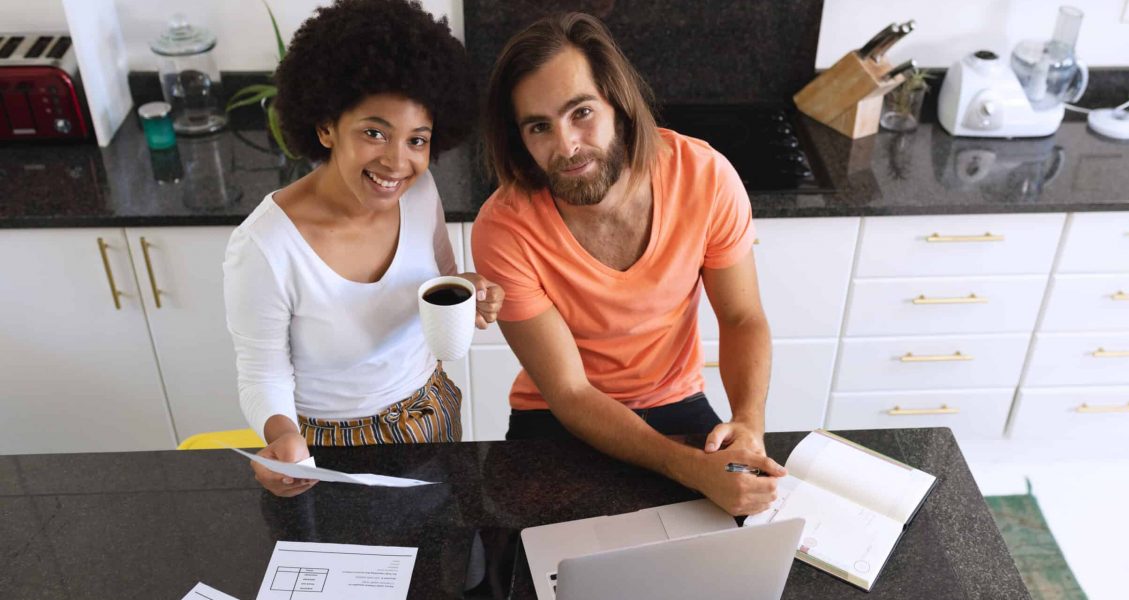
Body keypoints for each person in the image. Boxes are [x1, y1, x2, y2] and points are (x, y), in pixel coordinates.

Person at [471, 12, 783, 516]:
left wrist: (748, 421)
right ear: (520, 139)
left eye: (581, 113)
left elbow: (742, 317)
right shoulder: (504, 227)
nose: (566, 146)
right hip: (556, 415)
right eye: (539, 127)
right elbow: (570, 392)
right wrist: (685, 467)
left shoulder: (705, 178)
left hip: (675, 401)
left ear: (618, 103)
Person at [223, 0, 503, 498]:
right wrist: (282, 436)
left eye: (418, 140)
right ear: (327, 126)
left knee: (449, 564)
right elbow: (261, 368)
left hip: (430, 413)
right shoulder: (265, 245)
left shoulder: (420, 193)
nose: (397, 162)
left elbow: (440, 278)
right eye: (375, 132)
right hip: (328, 448)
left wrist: (470, 288)